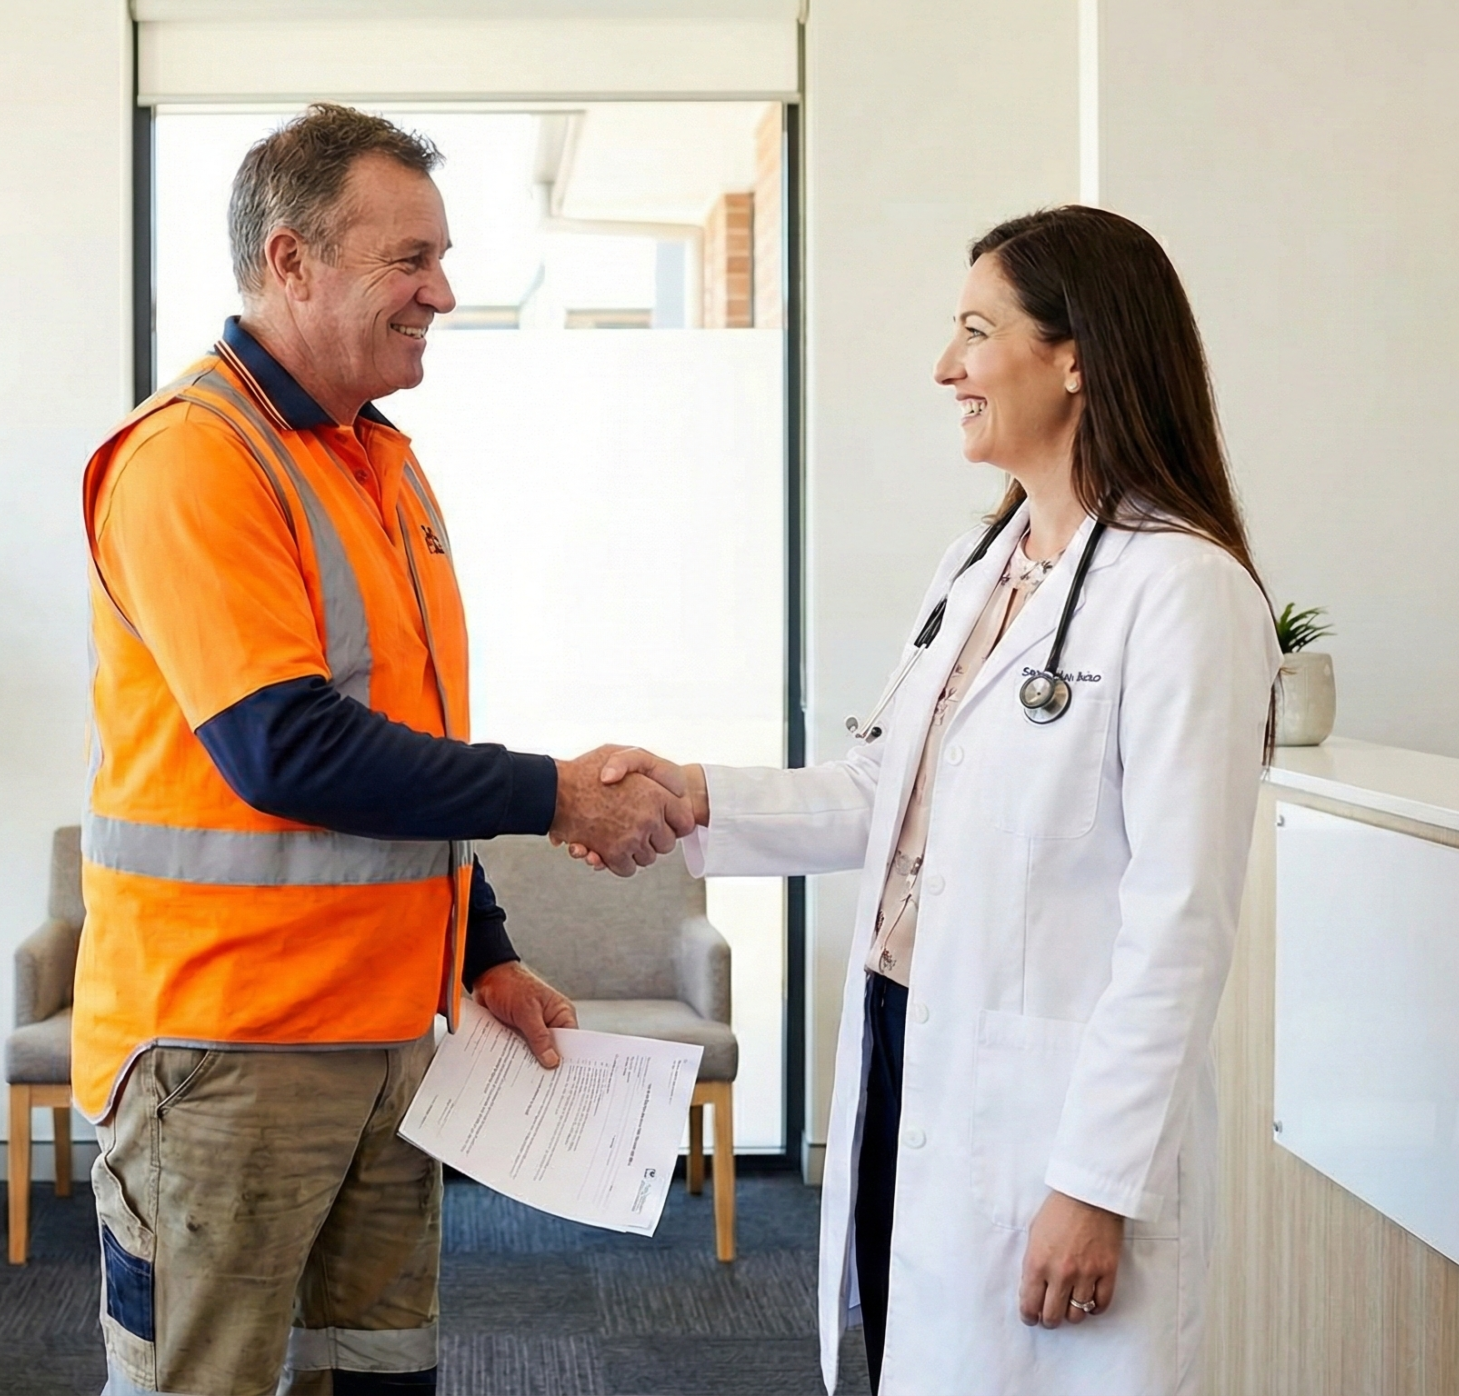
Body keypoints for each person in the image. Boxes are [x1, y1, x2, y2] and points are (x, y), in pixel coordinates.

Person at [584, 206, 1279, 1395]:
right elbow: (880, 793)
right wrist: (694, 793)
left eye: (974, 331)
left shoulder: (1184, 594)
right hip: (914, 1041)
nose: (945, 367)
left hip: (1053, 1109)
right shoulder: (979, 570)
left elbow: (1179, 928)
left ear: (1076, 357)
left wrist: (1095, 1182)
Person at [74, 103, 695, 1396]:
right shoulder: (194, 461)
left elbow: (403, 756)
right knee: (206, 1380)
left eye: (443, 257)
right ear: (291, 261)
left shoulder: (381, 467)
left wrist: (487, 953)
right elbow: (284, 750)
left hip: (392, 1041)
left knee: (380, 1371)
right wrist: (560, 793)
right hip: (225, 1052)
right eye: (409, 260)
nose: (444, 292)